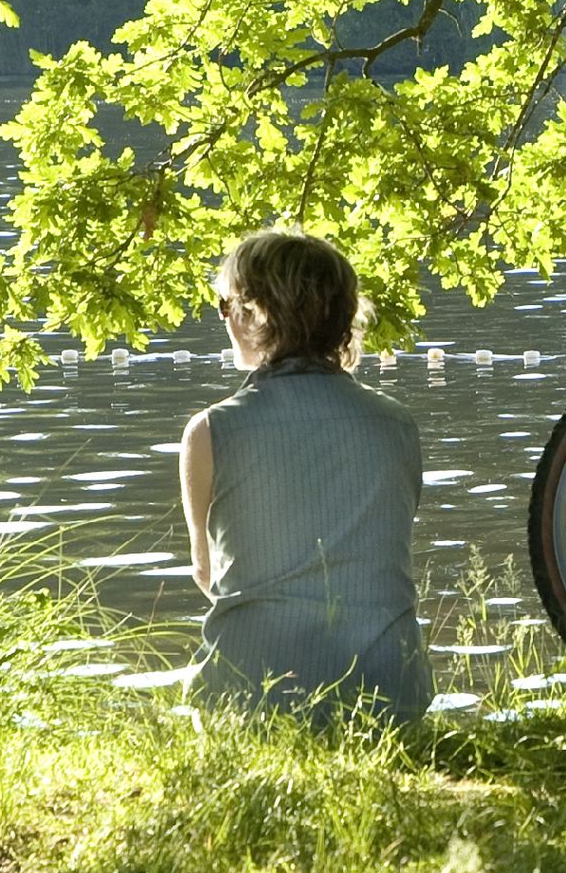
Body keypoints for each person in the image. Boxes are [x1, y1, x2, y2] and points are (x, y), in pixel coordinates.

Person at [180, 230, 429, 724]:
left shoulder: (212, 430)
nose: (224, 317)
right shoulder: (397, 423)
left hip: (250, 697)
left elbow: (207, 574)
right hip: (387, 697)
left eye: (226, 304)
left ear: (254, 315)